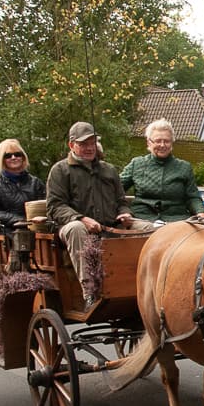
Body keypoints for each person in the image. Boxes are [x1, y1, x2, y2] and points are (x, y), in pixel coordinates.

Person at [47, 121, 152, 309]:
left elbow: (121, 202)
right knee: (76, 229)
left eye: (92, 143)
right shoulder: (60, 170)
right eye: (83, 144)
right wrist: (81, 218)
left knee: (148, 228)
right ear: (72, 145)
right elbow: (55, 206)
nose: (89, 148)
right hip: (73, 226)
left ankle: (146, 285)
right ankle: (90, 292)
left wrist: (125, 214)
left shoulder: (108, 170)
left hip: (110, 225)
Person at [120, 119, 204, 222]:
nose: (162, 145)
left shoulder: (184, 167)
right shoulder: (137, 164)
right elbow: (115, 189)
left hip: (176, 221)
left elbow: (193, 197)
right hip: (142, 220)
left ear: (172, 143)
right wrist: (123, 211)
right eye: (158, 141)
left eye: (166, 141)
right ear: (149, 143)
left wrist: (201, 213)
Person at [0, 139, 46, 227]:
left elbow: (46, 206)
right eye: (8, 156)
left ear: (23, 157)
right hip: (5, 230)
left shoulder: (35, 182)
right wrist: (21, 220)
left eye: (17, 154)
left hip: (37, 228)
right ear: (1, 159)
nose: (13, 157)